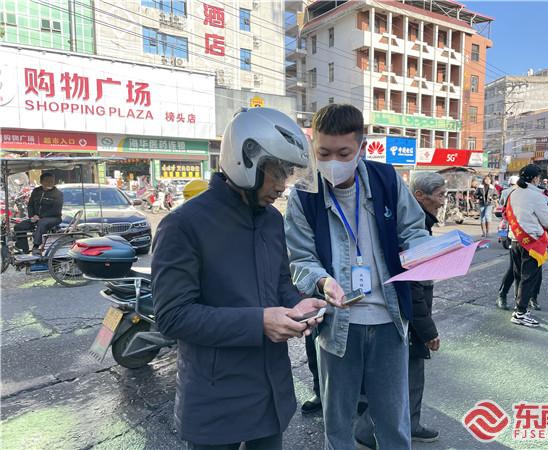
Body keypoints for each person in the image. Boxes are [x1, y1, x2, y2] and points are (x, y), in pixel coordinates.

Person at [152, 107, 327, 450]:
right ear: (246, 159)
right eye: (277, 172)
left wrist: (298, 305)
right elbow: (172, 316)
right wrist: (259, 322)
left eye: (287, 173)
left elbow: (279, 283)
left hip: (271, 392)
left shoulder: (272, 220)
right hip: (217, 398)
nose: (282, 186)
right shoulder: (183, 225)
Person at [285, 104, 430, 449]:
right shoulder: (304, 194)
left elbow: (414, 229)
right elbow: (300, 258)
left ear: (361, 148)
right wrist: (323, 282)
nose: (333, 162)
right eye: (323, 153)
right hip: (337, 325)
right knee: (338, 424)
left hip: (389, 321)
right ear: (313, 147)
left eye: (344, 153)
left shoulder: (386, 180)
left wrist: (424, 253)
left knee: (393, 423)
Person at [354, 172, 446, 448]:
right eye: (440, 195)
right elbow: (412, 286)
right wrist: (427, 330)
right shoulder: (410, 230)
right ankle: (373, 429)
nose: (443, 201)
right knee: (405, 377)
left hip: (404, 314)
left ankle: (396, 425)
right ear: (419, 196)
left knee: (398, 377)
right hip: (406, 316)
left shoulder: (416, 226)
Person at [504, 164, 548, 327]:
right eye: (538, 177)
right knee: (528, 278)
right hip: (531, 243)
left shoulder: (512, 193)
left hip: (515, 240)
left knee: (519, 276)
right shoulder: (536, 196)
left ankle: (520, 307)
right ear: (534, 179)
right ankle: (520, 313)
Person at [15, 172, 63, 255]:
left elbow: (56, 210)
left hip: (53, 218)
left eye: (51, 181)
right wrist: (32, 216)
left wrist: (40, 217)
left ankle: (36, 246)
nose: (50, 183)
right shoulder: (36, 191)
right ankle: (24, 248)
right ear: (41, 182)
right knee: (19, 227)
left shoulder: (58, 193)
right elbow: (30, 205)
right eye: (47, 181)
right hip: (36, 217)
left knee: (42, 223)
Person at [496, 175, 519, 310]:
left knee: (531, 272)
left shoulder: (533, 194)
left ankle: (527, 299)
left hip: (530, 237)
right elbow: (501, 209)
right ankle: (503, 294)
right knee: (513, 269)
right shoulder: (507, 193)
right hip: (514, 234)